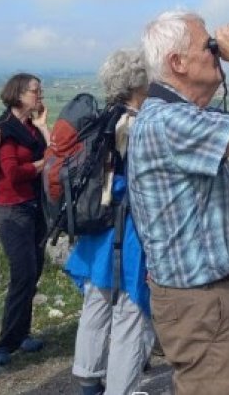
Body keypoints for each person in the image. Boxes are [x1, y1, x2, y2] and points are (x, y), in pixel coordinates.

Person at [128, 9, 229, 395]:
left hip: (207, 299)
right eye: (210, 47)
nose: (217, 52)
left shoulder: (181, 117)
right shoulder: (170, 122)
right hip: (203, 302)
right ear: (177, 62)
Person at [64, 49, 154, 395]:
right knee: (131, 310)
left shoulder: (100, 119)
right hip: (128, 225)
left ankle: (88, 379)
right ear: (139, 82)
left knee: (96, 301)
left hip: (97, 224)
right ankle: (122, 389)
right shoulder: (136, 123)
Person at [0, 73, 51, 366]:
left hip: (34, 206)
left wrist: (44, 126)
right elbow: (12, 173)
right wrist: (41, 164)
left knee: (33, 270)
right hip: (13, 210)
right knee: (22, 274)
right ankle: (4, 344)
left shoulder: (31, 129)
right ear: (19, 94)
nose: (39, 96)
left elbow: (55, 154)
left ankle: (22, 333)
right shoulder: (4, 130)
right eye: (35, 91)